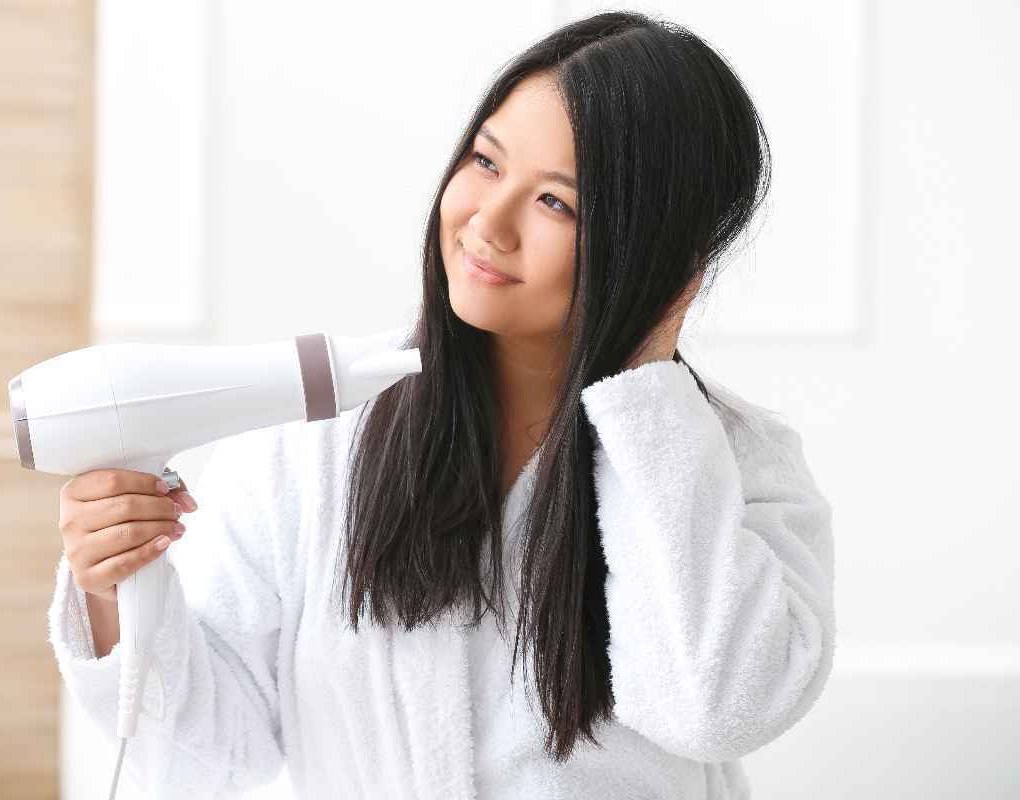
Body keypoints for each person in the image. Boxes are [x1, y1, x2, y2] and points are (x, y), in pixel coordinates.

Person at [49, 10, 835, 799]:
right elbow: (217, 747)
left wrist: (647, 388)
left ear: (651, 250)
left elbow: (714, 709)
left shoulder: (738, 466)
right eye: (486, 162)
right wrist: (114, 586)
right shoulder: (319, 441)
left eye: (557, 203)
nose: (486, 223)